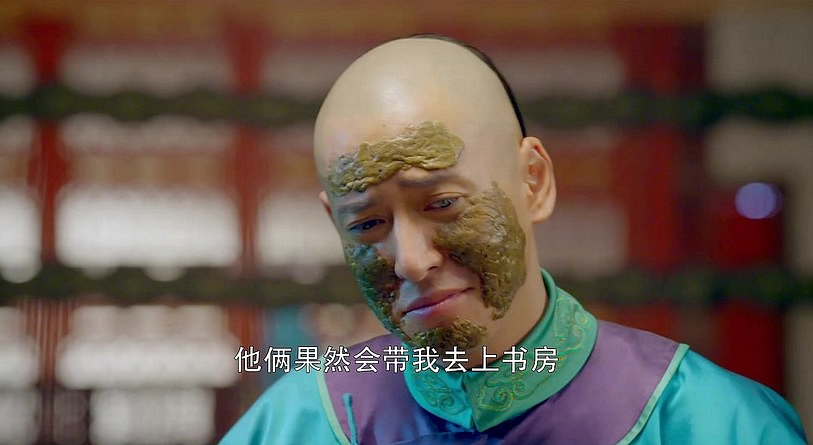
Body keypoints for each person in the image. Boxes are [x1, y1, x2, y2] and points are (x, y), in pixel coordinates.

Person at [221, 34, 807, 444]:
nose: (411, 262)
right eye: (367, 225)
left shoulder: (705, 421)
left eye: (442, 205)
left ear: (534, 182)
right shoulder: (299, 424)